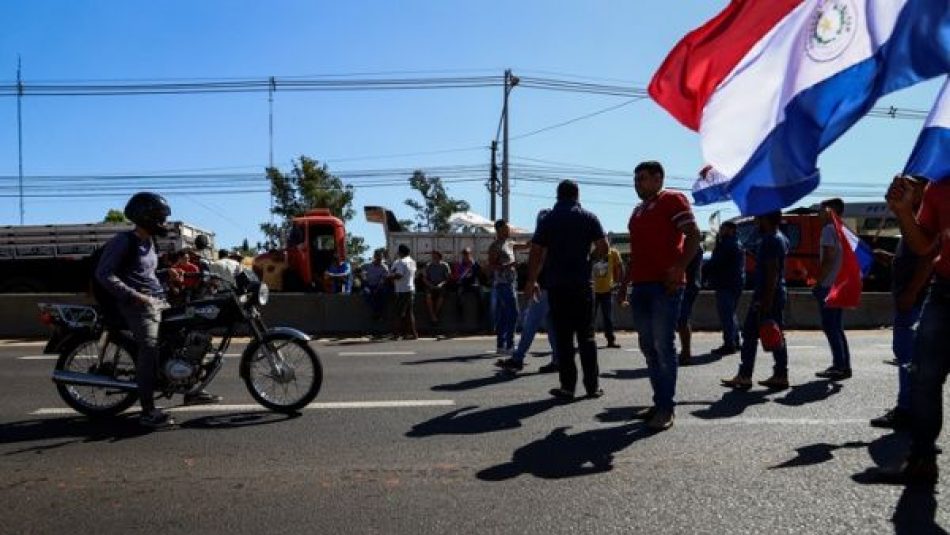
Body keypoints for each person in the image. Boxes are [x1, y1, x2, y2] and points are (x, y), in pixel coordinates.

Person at [95, 192, 219, 429]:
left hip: (157, 300)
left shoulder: (148, 242)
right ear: (145, 216)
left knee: (186, 335)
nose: (163, 223)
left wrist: (167, 273)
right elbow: (104, 275)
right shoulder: (124, 241)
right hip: (136, 305)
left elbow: (145, 275)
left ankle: (192, 389)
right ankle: (148, 411)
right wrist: (136, 296)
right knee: (149, 349)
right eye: (160, 218)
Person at [877, 175, 950, 485]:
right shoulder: (940, 186)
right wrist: (904, 211)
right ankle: (922, 459)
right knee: (923, 377)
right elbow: (923, 244)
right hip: (945, 291)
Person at [618, 161, 701, 432]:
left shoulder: (672, 199)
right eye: (636, 178)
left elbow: (694, 236)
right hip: (641, 287)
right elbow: (637, 252)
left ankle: (666, 408)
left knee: (664, 347)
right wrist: (623, 284)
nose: (637, 183)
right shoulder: (638, 210)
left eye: (642, 178)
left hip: (664, 286)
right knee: (649, 348)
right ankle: (659, 401)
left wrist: (679, 268)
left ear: (658, 178)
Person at [527, 179, 609, 401]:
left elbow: (535, 252)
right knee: (587, 338)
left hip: (557, 286)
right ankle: (592, 387)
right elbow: (604, 248)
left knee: (563, 339)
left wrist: (532, 280)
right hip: (582, 285)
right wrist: (589, 260)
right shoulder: (589, 217)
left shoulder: (548, 219)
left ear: (558, 195)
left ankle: (567, 388)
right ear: (577, 195)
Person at [871, 176, 932, 430]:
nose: (903, 188)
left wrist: (912, 291)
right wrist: (889, 258)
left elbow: (928, 258)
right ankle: (909, 407)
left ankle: (908, 410)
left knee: (910, 359)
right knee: (907, 357)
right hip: (910, 299)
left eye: (911, 185)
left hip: (915, 301)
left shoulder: (925, 220)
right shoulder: (912, 220)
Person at [721, 211, 791, 391]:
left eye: (758, 218)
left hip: (767, 295)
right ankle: (780, 374)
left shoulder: (770, 240)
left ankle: (746, 375)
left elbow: (772, 272)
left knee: (752, 335)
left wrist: (765, 300)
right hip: (775, 293)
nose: (755, 221)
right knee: (774, 333)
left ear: (765, 219)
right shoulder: (780, 238)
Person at [496, 209, 559, 374]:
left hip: (546, 287)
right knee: (551, 325)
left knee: (531, 322)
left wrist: (533, 281)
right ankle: (557, 359)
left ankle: (518, 358)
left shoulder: (545, 238)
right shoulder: (556, 237)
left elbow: (540, 261)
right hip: (554, 287)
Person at [813, 198, 853, 380]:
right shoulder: (841, 229)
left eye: (821, 210)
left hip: (829, 285)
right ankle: (844, 365)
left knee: (830, 326)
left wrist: (818, 281)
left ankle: (839, 366)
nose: (818, 213)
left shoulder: (828, 229)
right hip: (840, 284)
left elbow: (828, 258)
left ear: (830, 211)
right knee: (837, 327)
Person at [706, 221, 745, 355]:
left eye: (723, 228)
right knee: (731, 313)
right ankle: (735, 341)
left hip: (726, 283)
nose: (720, 230)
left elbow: (716, 262)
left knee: (726, 314)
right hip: (734, 282)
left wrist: (703, 270)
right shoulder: (735, 243)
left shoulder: (727, 244)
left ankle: (729, 344)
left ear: (730, 230)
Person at [488, 220, 519, 355]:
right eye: (506, 228)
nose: (509, 230)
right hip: (502, 283)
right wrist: (507, 266)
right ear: (499, 230)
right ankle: (509, 345)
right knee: (513, 313)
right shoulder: (495, 246)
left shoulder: (510, 243)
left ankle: (501, 345)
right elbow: (491, 266)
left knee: (504, 315)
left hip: (511, 282)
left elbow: (526, 246)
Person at [676, 245, 704, 364]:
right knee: (682, 318)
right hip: (691, 284)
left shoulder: (691, 246)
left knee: (682, 318)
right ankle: (685, 352)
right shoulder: (695, 246)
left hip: (688, 284)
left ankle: (686, 353)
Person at [592, 246, 624, 349]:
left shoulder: (613, 252)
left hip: (607, 289)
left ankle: (611, 340)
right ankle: (588, 341)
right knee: (590, 317)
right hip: (593, 290)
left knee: (608, 317)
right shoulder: (592, 252)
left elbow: (619, 266)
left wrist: (618, 283)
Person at [388, 244, 418, 340]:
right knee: (410, 313)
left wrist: (389, 276)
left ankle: (396, 335)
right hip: (411, 289)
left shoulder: (401, 262)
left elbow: (399, 275)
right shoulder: (412, 262)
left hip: (402, 290)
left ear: (400, 252)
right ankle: (414, 334)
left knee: (398, 313)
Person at [453, 247, 483, 320]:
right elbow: (457, 276)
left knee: (480, 293)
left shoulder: (474, 264)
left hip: (472, 284)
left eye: (467, 254)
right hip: (463, 284)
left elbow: (480, 274)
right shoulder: (460, 264)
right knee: (459, 294)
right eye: (465, 254)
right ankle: (459, 315)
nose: (466, 256)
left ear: (470, 254)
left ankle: (480, 315)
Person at [423, 251, 452, 325]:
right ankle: (433, 315)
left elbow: (447, 278)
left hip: (441, 284)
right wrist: (430, 285)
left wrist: (441, 284)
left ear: (440, 257)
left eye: (436, 257)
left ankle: (434, 314)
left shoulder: (445, 265)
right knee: (428, 296)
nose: (434, 259)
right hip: (431, 284)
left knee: (441, 296)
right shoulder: (428, 265)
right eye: (433, 257)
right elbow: (424, 278)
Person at [361, 249, 390, 323]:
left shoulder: (384, 267)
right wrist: (365, 282)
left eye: (380, 258)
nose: (379, 259)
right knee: (366, 293)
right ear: (374, 257)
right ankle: (376, 311)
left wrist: (377, 288)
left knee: (383, 294)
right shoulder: (367, 266)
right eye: (377, 257)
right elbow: (363, 275)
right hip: (369, 285)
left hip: (379, 286)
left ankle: (379, 313)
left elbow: (383, 280)